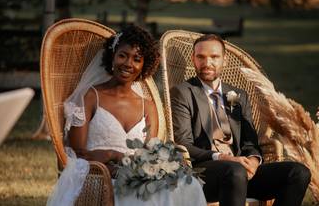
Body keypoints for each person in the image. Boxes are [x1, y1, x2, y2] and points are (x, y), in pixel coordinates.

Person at [49, 25, 206, 206]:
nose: (128, 64)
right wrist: (111, 154)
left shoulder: (148, 106)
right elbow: (78, 153)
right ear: (112, 56)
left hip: (138, 177)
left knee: (189, 185)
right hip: (100, 177)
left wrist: (164, 166)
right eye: (123, 55)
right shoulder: (91, 97)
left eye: (137, 59)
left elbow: (149, 153)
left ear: (143, 65)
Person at [170, 34, 311, 206]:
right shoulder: (183, 93)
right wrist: (223, 157)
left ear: (225, 60)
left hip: (241, 170)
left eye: (214, 57)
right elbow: (184, 143)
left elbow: (249, 142)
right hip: (205, 173)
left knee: (298, 172)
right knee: (235, 170)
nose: (207, 63)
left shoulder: (236, 95)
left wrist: (253, 160)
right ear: (193, 59)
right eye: (201, 57)